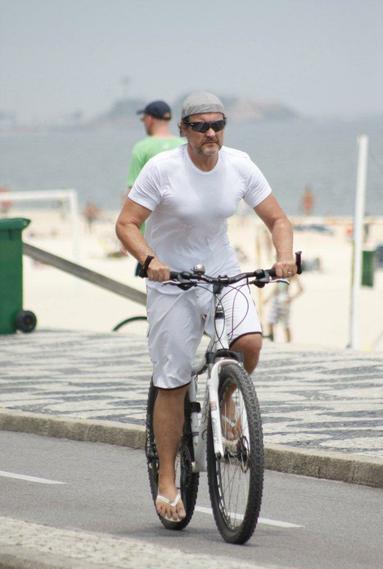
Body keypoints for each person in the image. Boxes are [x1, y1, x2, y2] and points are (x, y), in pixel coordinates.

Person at [116, 91, 297, 523]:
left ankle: (228, 398)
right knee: (173, 379)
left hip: (221, 270)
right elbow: (125, 223)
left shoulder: (239, 164)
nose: (211, 133)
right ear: (184, 130)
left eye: (218, 125)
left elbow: (278, 219)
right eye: (201, 126)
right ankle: (166, 479)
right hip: (171, 280)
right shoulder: (162, 169)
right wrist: (150, 261)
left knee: (249, 342)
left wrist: (285, 257)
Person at [126, 100, 185, 274]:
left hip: (151, 233)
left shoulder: (142, 148)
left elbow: (132, 192)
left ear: (150, 119)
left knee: (156, 280)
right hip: (182, 225)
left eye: (143, 119)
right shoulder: (184, 145)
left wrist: (126, 236)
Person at [265, 275, 304, 342]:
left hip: (284, 300)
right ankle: (272, 341)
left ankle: (288, 343)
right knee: (270, 321)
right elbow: (276, 287)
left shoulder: (292, 273)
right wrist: (268, 298)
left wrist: (291, 298)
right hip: (276, 299)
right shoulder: (280, 272)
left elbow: (301, 289)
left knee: (285, 324)